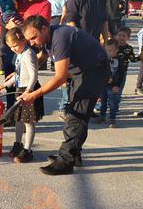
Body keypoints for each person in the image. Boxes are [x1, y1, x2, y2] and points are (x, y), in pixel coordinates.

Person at [20, 15, 109, 175]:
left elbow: (60, 76)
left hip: (94, 71)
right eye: (29, 40)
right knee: (75, 114)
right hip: (81, 71)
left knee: (76, 116)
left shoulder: (59, 38)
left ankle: (66, 161)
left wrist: (34, 95)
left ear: (44, 29)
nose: (31, 43)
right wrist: (19, 75)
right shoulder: (48, 38)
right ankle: (73, 155)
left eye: (33, 37)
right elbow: (41, 59)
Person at [0, 27, 44, 163]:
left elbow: (34, 75)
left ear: (23, 40)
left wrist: (29, 91)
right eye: (11, 47)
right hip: (20, 89)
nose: (13, 49)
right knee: (18, 120)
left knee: (29, 122)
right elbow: (18, 74)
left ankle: (27, 150)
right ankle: (18, 144)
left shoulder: (28, 54)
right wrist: (4, 85)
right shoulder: (20, 54)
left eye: (15, 45)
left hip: (29, 90)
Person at [97, 39, 122, 127]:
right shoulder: (103, 59)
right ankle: (102, 116)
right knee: (103, 101)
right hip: (103, 85)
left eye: (110, 51)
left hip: (113, 86)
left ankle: (112, 119)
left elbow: (121, 74)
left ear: (116, 50)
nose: (108, 52)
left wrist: (117, 85)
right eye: (107, 50)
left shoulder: (119, 60)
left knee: (112, 102)